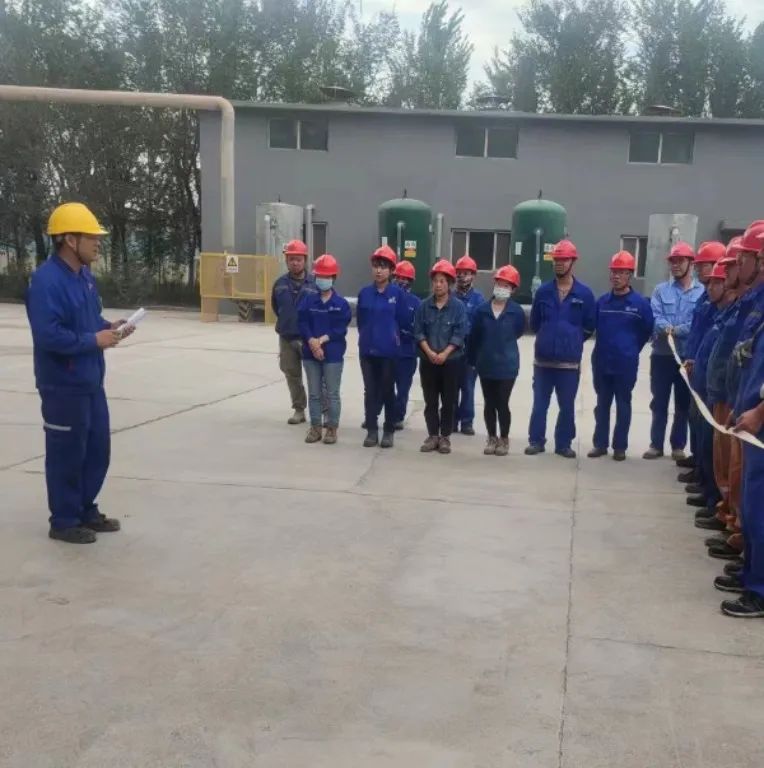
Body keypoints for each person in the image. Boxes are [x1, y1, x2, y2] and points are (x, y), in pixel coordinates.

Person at [25, 202, 135, 544]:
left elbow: (88, 321)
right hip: (62, 384)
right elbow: (48, 335)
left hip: (90, 380)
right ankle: (64, 520)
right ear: (70, 240)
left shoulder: (84, 277)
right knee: (66, 453)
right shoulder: (46, 281)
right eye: (92, 237)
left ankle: (85, 509)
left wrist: (110, 327)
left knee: (97, 449)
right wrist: (93, 340)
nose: (98, 243)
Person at [720, 227, 764, 617]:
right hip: (751, 421)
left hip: (760, 423)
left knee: (760, 506)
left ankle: (760, 590)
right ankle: (752, 573)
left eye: (746, 257)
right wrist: (741, 403)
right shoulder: (757, 303)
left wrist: (759, 411)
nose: (740, 263)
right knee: (751, 505)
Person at [526, 239, 596, 459]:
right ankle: (536, 441)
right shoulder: (543, 292)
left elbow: (589, 325)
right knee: (540, 405)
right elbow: (535, 323)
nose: (559, 263)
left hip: (569, 363)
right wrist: (548, 337)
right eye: (556, 259)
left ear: (573, 262)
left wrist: (572, 340)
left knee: (567, 406)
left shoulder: (584, 294)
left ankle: (564, 444)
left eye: (564, 260)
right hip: (543, 362)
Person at [588, 251, 654, 461]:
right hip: (602, 362)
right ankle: (600, 444)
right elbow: (592, 326)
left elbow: (647, 331)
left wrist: (631, 349)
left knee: (623, 404)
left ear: (629, 275)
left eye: (621, 272)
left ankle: (620, 447)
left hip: (625, 364)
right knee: (602, 404)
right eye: (613, 272)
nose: (616, 276)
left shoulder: (640, 304)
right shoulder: (602, 302)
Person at [643, 241, 704, 461]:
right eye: (673, 261)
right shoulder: (661, 290)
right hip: (662, 356)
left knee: (683, 404)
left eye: (680, 261)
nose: (676, 265)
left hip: (687, 357)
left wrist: (675, 330)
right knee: (659, 402)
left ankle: (678, 446)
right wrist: (666, 328)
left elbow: (697, 324)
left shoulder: (701, 292)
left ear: (691, 263)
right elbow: (655, 317)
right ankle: (655, 445)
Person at [468, 265, 525, 457]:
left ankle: (504, 438)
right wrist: (472, 360)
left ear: (513, 289)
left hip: (507, 365)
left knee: (502, 402)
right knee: (489, 402)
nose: (501, 288)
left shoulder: (516, 312)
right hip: (486, 364)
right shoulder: (481, 311)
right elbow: (474, 337)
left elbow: (518, 332)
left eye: (506, 285)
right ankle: (491, 437)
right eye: (499, 284)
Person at [413, 259, 468, 455]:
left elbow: (460, 333)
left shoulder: (458, 307)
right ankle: (432, 435)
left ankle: (445, 437)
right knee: (430, 401)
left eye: (442, 281)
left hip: (451, 361)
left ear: (450, 283)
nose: (438, 285)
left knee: (449, 400)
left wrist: (445, 353)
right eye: (435, 281)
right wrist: (429, 352)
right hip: (428, 361)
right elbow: (418, 331)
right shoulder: (423, 306)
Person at [298, 254, 352, 446]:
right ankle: (315, 427)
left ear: (333, 278)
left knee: (332, 393)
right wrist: (312, 342)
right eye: (319, 276)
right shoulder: (308, 300)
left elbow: (340, 329)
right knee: (314, 393)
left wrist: (320, 341)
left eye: (326, 276)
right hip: (310, 353)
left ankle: (331, 428)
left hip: (333, 355)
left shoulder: (341, 304)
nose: (322, 279)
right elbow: (302, 323)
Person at [357, 245, 407, 449]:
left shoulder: (397, 294)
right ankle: (371, 430)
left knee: (388, 391)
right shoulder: (364, 293)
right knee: (370, 391)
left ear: (392, 270)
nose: (379, 270)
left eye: (384, 267)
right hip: (368, 352)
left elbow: (403, 321)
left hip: (389, 352)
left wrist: (392, 338)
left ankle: (388, 430)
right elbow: (361, 321)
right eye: (376, 266)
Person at [681, 241, 726, 471]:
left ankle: (704, 472)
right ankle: (697, 460)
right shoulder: (705, 297)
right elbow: (697, 333)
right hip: (695, 365)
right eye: (697, 265)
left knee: (705, 421)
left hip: (707, 369)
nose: (698, 269)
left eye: (703, 265)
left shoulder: (719, 302)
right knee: (695, 416)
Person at [271, 239, 317, 425]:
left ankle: (322, 411)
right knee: (292, 375)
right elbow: (276, 307)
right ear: (286, 260)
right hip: (287, 338)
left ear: (305, 260)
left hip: (309, 339)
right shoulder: (279, 284)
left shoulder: (315, 284)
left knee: (316, 376)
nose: (295, 263)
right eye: (291, 259)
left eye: (298, 259)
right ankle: (299, 409)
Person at [453, 255, 485, 435]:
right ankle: (451, 420)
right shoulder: (450, 297)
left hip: (470, 351)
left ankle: (466, 421)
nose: (462, 277)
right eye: (459, 273)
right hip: (451, 349)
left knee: (468, 386)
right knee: (450, 387)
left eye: (466, 273)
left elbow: (482, 326)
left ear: (473, 276)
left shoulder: (479, 300)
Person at [391, 260, 422, 429]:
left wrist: (407, 333)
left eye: (405, 278)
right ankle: (386, 414)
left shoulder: (416, 303)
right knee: (385, 387)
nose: (401, 281)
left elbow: (418, 328)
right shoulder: (388, 297)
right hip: (388, 352)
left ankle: (398, 417)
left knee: (403, 389)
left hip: (407, 353)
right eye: (399, 278)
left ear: (411, 281)